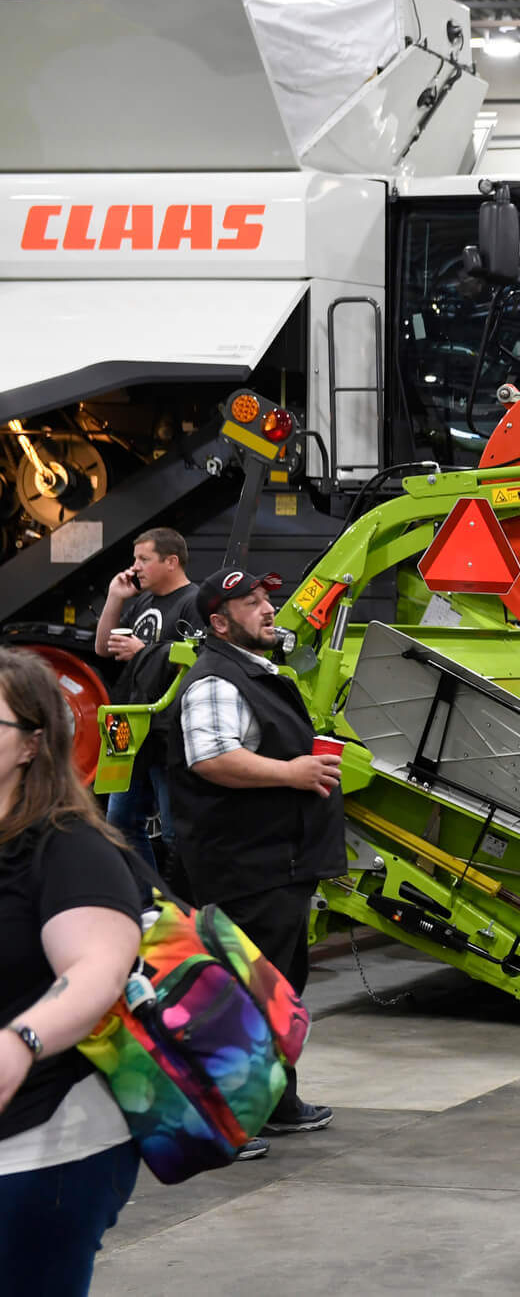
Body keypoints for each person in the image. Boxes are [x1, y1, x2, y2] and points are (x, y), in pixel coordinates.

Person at [157, 568, 342, 1159]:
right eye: (250, 603)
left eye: (266, 597)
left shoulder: (255, 673)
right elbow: (212, 758)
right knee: (240, 996)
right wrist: (291, 772)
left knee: (279, 990)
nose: (268, 609)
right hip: (245, 866)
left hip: (278, 863)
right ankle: (227, 1121)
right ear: (218, 623)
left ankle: (275, 1104)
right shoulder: (216, 679)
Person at [0, 650, 145, 1293]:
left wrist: (20, 1041)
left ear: (32, 744)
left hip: (44, 1145)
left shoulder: (68, 845)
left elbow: (96, 968)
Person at [95, 527, 199, 872]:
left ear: (171, 561)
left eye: (144, 559)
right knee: (120, 825)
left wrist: (144, 652)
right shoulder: (143, 600)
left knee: (173, 832)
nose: (135, 567)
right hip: (130, 731)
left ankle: (186, 908)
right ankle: (149, 900)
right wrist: (115, 597)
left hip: (169, 733)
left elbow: (200, 661)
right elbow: (102, 647)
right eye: (134, 559)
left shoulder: (193, 602)